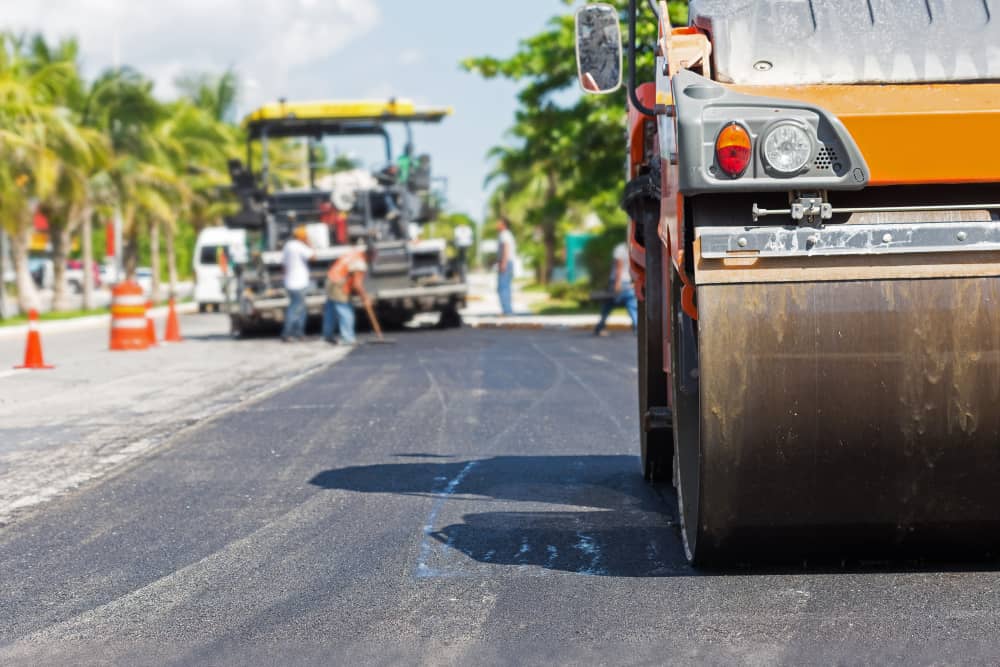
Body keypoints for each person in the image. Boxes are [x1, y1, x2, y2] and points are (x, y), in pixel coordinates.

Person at [323, 243, 369, 345]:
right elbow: (357, 284)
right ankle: (348, 338)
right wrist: (364, 297)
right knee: (345, 310)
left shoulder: (353, 254)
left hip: (330, 279)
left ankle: (327, 335)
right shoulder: (360, 263)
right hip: (339, 283)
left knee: (331, 310)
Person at [594, 241, 638, 336]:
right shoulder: (634, 248)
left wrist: (616, 283)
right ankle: (637, 328)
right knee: (632, 306)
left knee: (607, 306)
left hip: (619, 282)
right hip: (628, 282)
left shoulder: (620, 249)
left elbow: (619, 267)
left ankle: (600, 327)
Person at [281, 226, 314, 342]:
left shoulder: (288, 246)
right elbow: (313, 257)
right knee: (295, 309)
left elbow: (284, 265)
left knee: (300, 309)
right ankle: (288, 333)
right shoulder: (300, 246)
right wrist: (309, 244)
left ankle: (299, 333)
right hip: (299, 283)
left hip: (289, 282)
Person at [496, 217, 517, 316]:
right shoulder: (506, 234)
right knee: (505, 286)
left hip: (506, 262)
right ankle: (507, 310)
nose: (496, 225)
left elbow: (506, 248)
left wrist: (503, 263)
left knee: (503, 287)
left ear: (504, 225)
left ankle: (507, 310)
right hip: (508, 262)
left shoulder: (504, 234)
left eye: (498, 223)